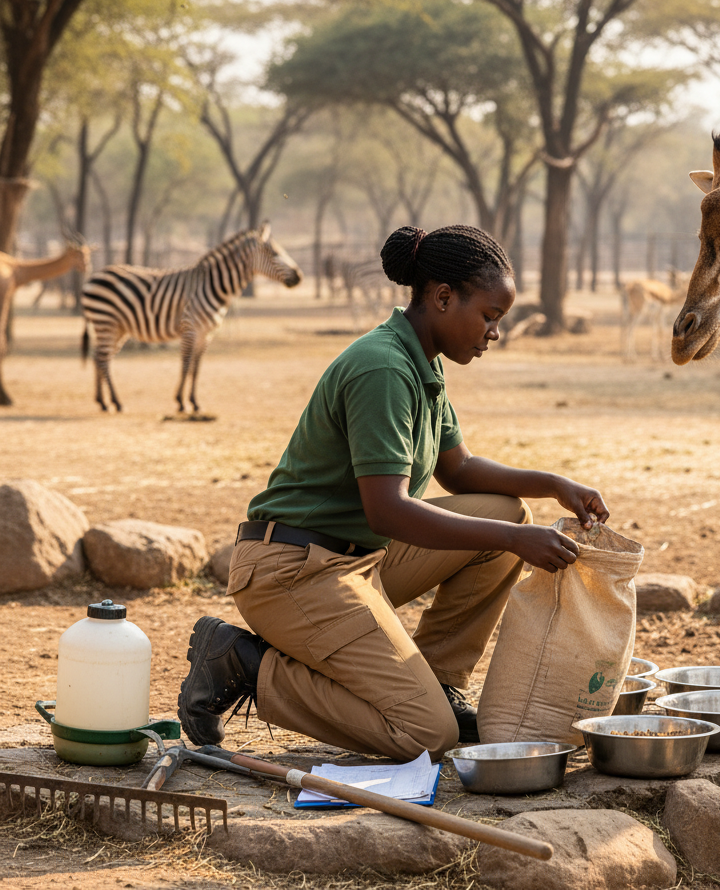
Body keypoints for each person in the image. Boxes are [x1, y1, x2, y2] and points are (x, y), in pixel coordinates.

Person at [178, 224, 609, 761]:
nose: (495, 332)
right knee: (427, 736)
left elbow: (462, 470)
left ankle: (437, 684)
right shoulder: (383, 366)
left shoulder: (421, 361)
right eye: (491, 316)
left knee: (507, 515)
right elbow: (388, 510)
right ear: (443, 297)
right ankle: (243, 663)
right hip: (291, 571)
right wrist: (519, 541)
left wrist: (555, 485)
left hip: (355, 561)